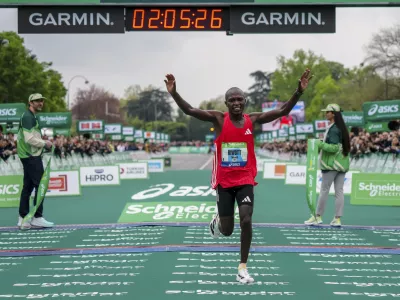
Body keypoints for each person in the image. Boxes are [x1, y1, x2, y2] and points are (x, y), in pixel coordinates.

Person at [164, 69, 313, 283]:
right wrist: (174, 93)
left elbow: (282, 111)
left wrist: (298, 92)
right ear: (226, 103)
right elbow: (189, 110)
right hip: (224, 181)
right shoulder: (217, 119)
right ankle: (218, 220)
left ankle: (242, 267)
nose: (236, 103)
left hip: (245, 179)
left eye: (239, 99)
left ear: (245, 101)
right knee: (227, 231)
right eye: (232, 100)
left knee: (246, 219)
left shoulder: (252, 120)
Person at [304, 103, 350, 227]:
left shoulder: (334, 129)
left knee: (324, 190)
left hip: (331, 165)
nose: (326, 114)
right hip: (342, 165)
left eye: (328, 112)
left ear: (333, 114)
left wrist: (320, 144)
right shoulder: (341, 128)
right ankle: (337, 219)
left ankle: (317, 216)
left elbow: (334, 148)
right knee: (339, 192)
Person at [17, 93, 54, 230]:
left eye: (41, 101)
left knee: (28, 186)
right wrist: (45, 143)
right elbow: (29, 139)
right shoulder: (27, 117)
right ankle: (37, 217)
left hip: (29, 155)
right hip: (30, 155)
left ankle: (23, 217)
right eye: (37, 101)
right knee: (41, 185)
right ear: (30, 102)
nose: (40, 103)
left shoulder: (31, 116)